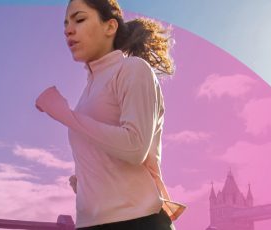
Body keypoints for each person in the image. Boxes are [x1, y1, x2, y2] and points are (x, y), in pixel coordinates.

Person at [35, 0, 187, 229]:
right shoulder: (87, 92)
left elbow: (135, 147)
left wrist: (64, 113)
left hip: (139, 222)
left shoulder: (134, 69)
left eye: (80, 19)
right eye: (65, 23)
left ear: (110, 27)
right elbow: (108, 156)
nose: (68, 29)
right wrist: (85, 182)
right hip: (90, 224)